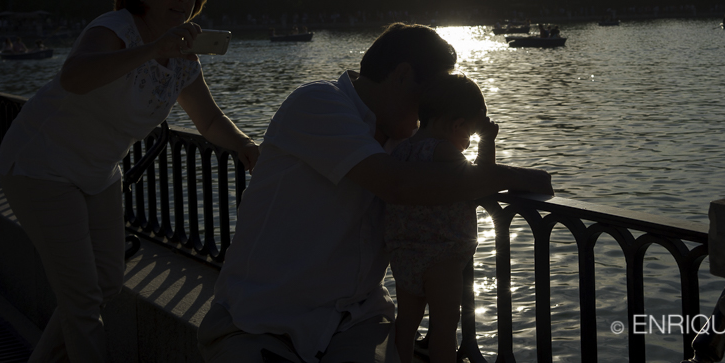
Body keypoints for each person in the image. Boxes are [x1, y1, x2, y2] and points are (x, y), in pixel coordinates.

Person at [199, 23, 552, 363]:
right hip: (261, 321)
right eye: (427, 97)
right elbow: (398, 185)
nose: (429, 112)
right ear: (401, 75)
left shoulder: (408, 144)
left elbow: (440, 178)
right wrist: (515, 177)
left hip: (356, 321)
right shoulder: (318, 103)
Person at [0, 0, 259, 363]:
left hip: (98, 173)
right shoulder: (116, 27)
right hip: (41, 166)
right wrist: (155, 49)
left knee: (106, 283)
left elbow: (208, 120)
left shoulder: (185, 59)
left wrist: (244, 144)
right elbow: (75, 76)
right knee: (82, 300)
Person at [386, 74, 496, 363]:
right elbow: (481, 178)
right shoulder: (442, 151)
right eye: (469, 134)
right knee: (445, 328)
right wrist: (488, 141)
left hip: (404, 252)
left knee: (407, 323)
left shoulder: (401, 150)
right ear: (457, 124)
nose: (467, 143)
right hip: (441, 256)